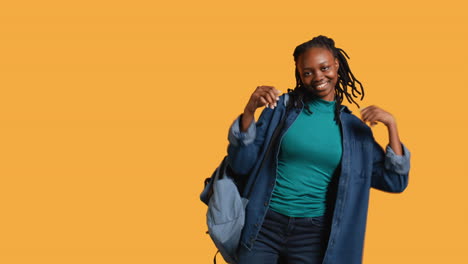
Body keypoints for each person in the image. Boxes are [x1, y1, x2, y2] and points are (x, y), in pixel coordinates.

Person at [225, 35, 411, 264]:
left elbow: (395, 181)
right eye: (308, 72)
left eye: (324, 68)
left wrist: (392, 125)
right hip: (264, 225)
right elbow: (241, 164)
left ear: (336, 64)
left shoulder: (354, 130)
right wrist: (249, 111)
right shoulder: (280, 109)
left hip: (313, 236)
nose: (318, 77)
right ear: (299, 74)